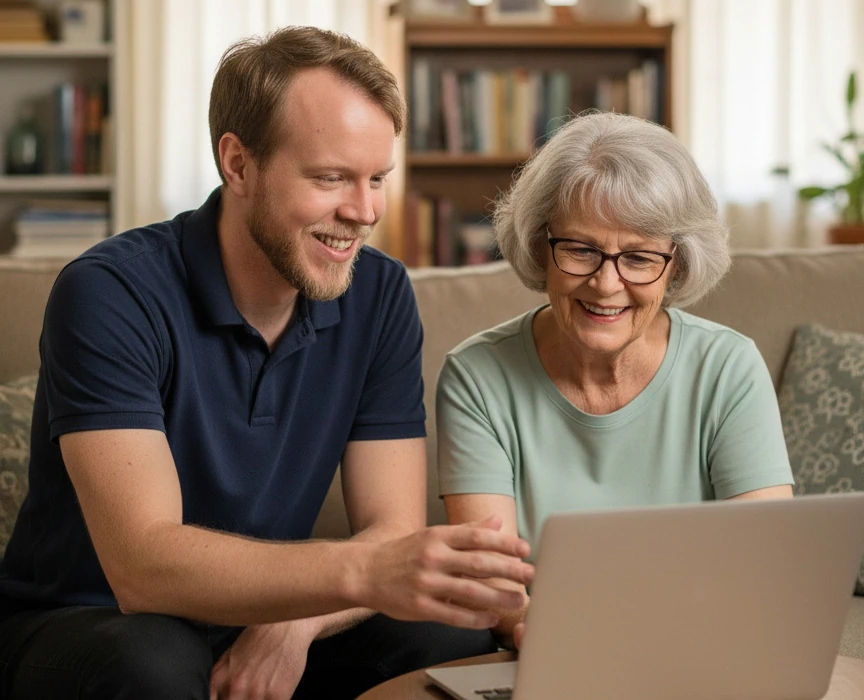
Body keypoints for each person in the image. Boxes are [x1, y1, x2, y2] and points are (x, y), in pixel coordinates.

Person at [0, 26, 535, 700]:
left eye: (376, 179)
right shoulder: (110, 292)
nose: (363, 212)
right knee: (151, 666)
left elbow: (392, 527)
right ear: (239, 164)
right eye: (331, 177)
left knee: (446, 636)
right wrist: (356, 575)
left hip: (267, 614)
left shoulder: (380, 294)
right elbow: (143, 565)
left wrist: (297, 621)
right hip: (93, 621)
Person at [436, 111, 794, 650]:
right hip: (546, 651)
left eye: (639, 257)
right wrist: (555, 638)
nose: (606, 284)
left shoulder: (729, 369)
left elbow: (765, 565)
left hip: (699, 650)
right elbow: (496, 586)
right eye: (580, 250)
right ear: (541, 246)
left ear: (676, 264)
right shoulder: (476, 377)